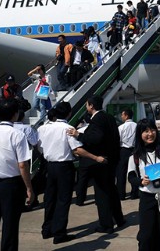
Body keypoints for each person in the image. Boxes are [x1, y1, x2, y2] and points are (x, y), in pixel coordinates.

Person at [37, 102, 107, 244]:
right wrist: (95, 157)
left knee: (50, 199)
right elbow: (76, 150)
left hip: (49, 165)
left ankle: (47, 229)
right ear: (69, 114)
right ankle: (59, 233)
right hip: (64, 167)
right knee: (63, 200)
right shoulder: (67, 128)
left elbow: (39, 147)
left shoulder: (42, 128)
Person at [67, 95, 124, 233]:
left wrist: (78, 135)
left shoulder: (97, 120)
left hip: (101, 162)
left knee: (102, 194)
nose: (86, 107)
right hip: (112, 159)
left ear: (91, 105)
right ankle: (119, 219)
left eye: (87, 105)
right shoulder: (109, 117)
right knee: (112, 190)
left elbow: (95, 138)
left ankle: (106, 225)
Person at [127, 119, 160, 251]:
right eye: (146, 131)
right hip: (147, 198)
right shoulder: (135, 155)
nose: (150, 134)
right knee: (146, 235)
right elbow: (131, 176)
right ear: (140, 134)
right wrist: (140, 181)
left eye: (152, 130)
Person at [0, 99, 35, 251]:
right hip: (10, 185)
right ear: (15, 115)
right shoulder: (17, 135)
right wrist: (29, 188)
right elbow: (22, 164)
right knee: (9, 224)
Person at [117, 109, 139, 200]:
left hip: (123, 151)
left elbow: (118, 140)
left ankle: (121, 195)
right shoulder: (137, 126)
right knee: (134, 172)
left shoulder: (121, 127)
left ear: (126, 115)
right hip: (134, 151)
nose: (121, 117)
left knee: (121, 173)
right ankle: (134, 194)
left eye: (122, 115)